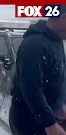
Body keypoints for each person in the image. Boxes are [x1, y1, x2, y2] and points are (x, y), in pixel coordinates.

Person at [10, 7, 66, 135]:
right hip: (30, 120)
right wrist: (49, 124)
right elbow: (32, 88)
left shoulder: (56, 41)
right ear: (63, 18)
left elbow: (58, 76)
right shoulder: (34, 45)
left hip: (48, 115)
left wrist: (61, 105)